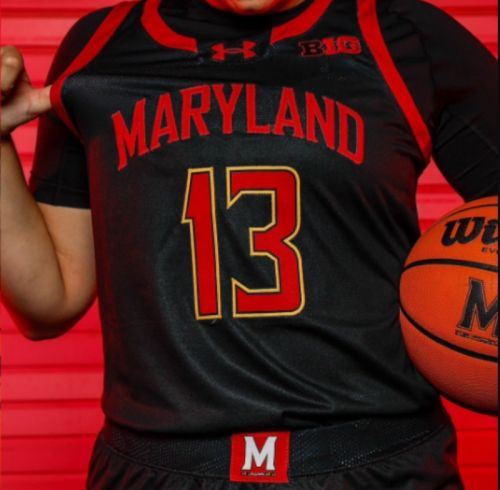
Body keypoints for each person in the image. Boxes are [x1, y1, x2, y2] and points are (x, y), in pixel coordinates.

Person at [1, 0, 497, 488]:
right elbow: (49, 304)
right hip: (159, 466)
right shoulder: (100, 45)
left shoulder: (401, 35)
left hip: (376, 460)